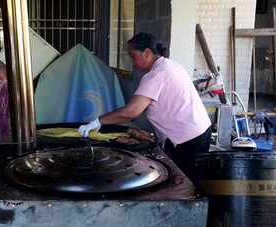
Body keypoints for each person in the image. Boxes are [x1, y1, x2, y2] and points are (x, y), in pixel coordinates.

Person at [78, 33, 212, 182]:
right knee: (191, 179)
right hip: (200, 130)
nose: (132, 62)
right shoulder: (170, 65)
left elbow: (131, 112)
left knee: (183, 183)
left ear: (147, 53)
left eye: (133, 56)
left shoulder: (157, 74)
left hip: (188, 139)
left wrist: (97, 122)